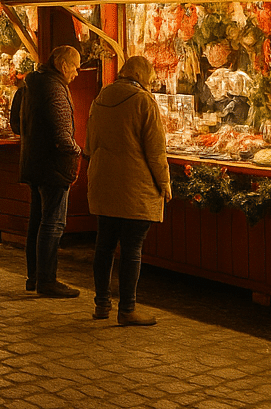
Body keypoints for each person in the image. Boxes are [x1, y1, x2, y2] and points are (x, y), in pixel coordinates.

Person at [86, 54, 170, 326]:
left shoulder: (100, 98)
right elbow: (155, 152)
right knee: (132, 249)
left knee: (104, 245)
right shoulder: (144, 101)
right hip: (135, 187)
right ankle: (128, 309)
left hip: (104, 182)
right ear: (144, 76)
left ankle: (101, 304)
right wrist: (165, 184)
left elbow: (89, 145)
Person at [12, 44, 84, 297]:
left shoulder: (29, 84)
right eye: (75, 67)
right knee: (53, 223)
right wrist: (79, 152)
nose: (77, 72)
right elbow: (62, 135)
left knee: (37, 222)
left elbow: (14, 124)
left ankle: (34, 277)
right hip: (53, 166)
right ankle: (47, 280)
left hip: (33, 161)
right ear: (63, 65)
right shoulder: (55, 89)